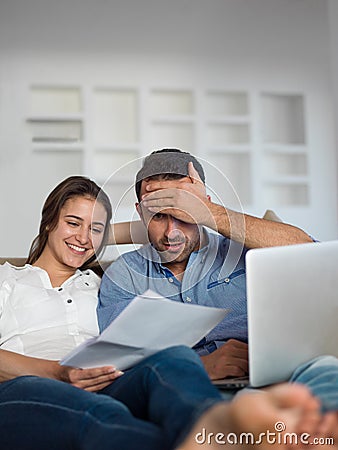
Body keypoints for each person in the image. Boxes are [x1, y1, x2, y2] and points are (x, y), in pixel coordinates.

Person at [4, 175, 336, 449]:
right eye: (72, 223)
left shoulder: (100, 284)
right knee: (102, 414)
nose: (82, 237)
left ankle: (214, 425)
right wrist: (60, 372)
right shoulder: (7, 279)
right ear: (48, 222)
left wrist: (194, 209)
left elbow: (149, 232)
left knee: (176, 358)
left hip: (106, 382)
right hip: (26, 385)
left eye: (94, 229)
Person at [97, 148, 338, 413]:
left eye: (183, 214)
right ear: (140, 214)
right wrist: (201, 365)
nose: (171, 232)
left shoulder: (243, 249)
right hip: (194, 387)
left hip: (281, 376)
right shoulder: (124, 275)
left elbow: (308, 252)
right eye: (159, 216)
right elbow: (118, 361)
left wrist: (212, 213)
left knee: (326, 372)